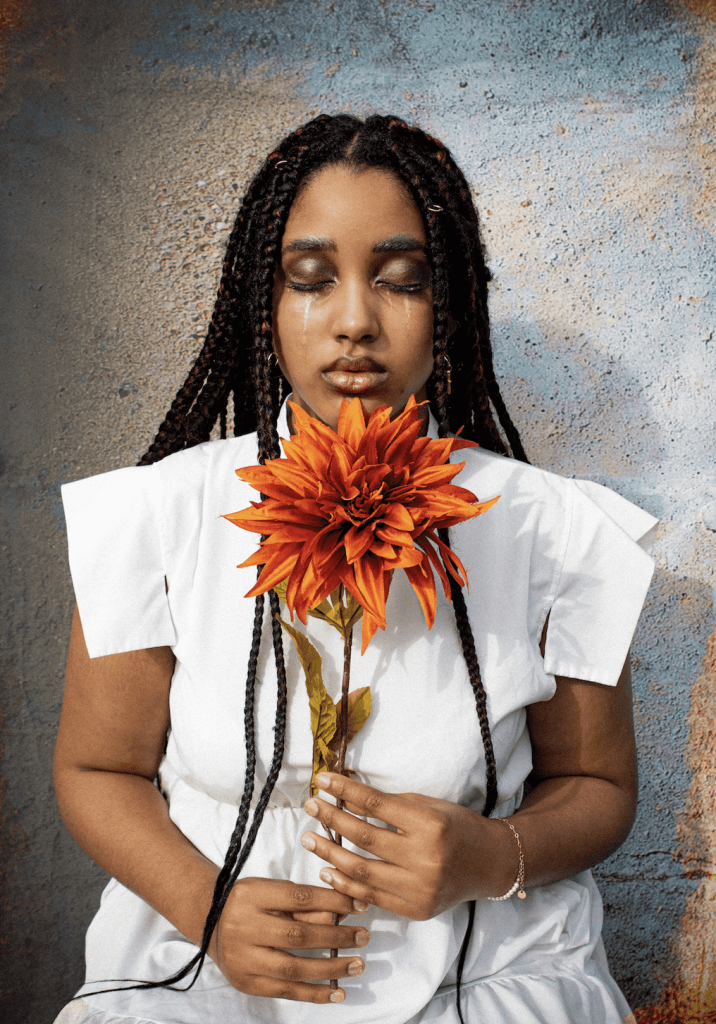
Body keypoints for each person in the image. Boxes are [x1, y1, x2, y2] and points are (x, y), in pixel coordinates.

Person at [53, 113, 656, 1024]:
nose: (354, 322)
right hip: (201, 972)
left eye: (401, 280)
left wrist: (492, 858)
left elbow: (600, 787)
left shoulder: (551, 530)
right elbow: (97, 768)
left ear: (446, 304)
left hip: (486, 974)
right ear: (264, 302)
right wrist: (204, 907)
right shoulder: (156, 519)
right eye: (311, 279)